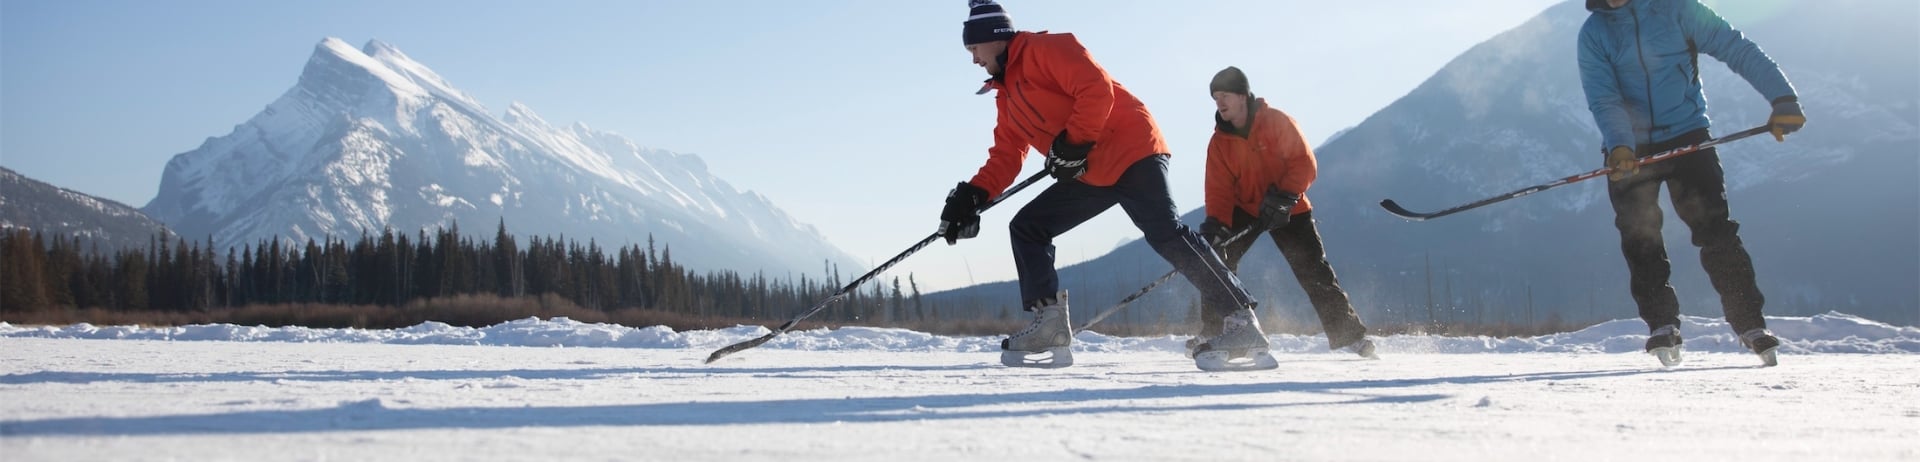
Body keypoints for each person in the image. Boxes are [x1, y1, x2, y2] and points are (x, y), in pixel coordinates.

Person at [940, 0, 1273, 371]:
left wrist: (1074, 142)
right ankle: (1050, 325)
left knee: (1164, 231)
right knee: (1028, 226)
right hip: (1091, 170)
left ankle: (1241, 322)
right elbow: (1006, 155)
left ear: (994, 38)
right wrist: (974, 195)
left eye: (973, 49)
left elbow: (1096, 88)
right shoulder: (1006, 95)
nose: (973, 60)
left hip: (1132, 148)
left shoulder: (1045, 50)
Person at [1578, 0, 1804, 367]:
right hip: (1629, 149)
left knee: (1715, 230)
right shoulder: (1594, 34)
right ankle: (1662, 325)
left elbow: (1735, 47)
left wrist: (1783, 97)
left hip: (1688, 136)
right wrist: (1621, 145)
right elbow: (1603, 96)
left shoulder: (1678, 9)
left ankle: (1750, 325)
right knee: (1640, 238)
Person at [1198, 67, 1376, 360]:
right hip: (1244, 208)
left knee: (1313, 270)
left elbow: (1305, 163)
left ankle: (1351, 336)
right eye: (1216, 98)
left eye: (1225, 96)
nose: (1220, 103)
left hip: (1287, 203)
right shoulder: (1219, 143)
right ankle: (1216, 332)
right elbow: (1218, 190)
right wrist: (1216, 224)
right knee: (1217, 261)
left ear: (1242, 96)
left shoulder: (1276, 121)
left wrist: (1285, 196)